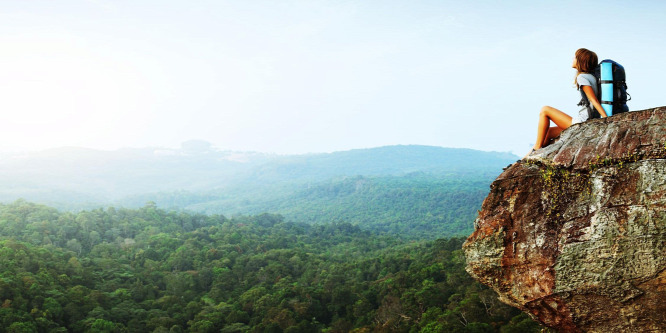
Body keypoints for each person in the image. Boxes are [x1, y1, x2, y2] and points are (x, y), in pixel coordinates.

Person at [529, 48, 607, 154]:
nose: (572, 59)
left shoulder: (582, 77)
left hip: (582, 123)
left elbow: (593, 100)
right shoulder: (592, 77)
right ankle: (523, 161)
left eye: (575, 57)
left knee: (545, 110)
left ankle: (537, 148)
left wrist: (607, 119)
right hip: (588, 121)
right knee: (548, 133)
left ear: (581, 61)